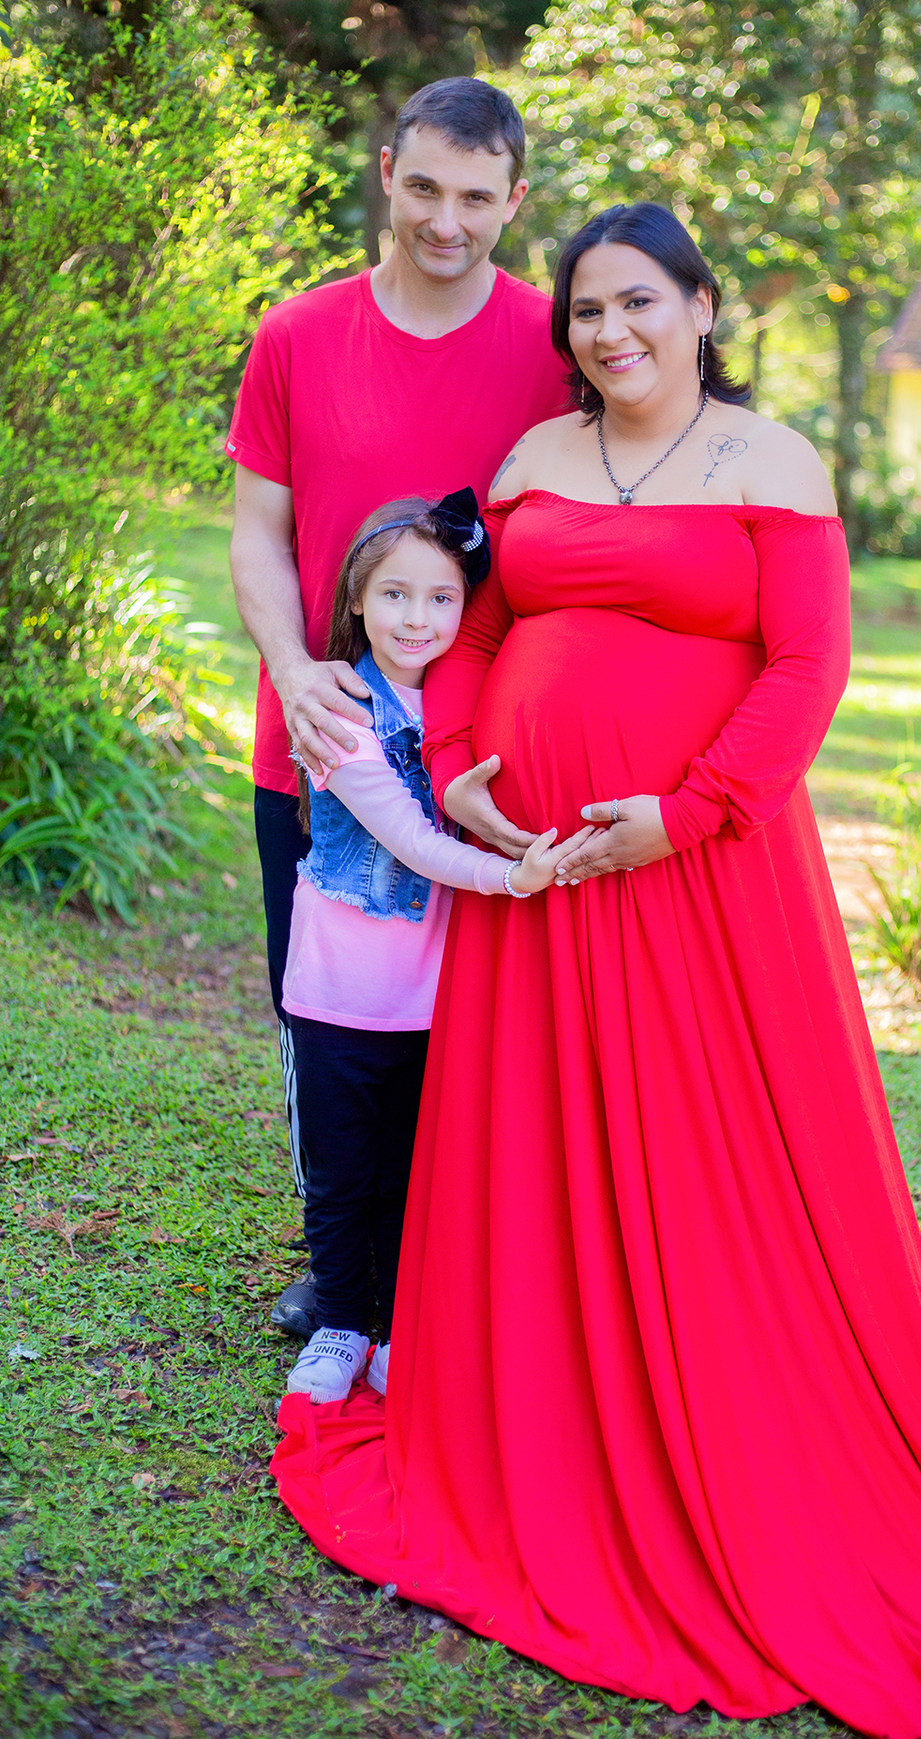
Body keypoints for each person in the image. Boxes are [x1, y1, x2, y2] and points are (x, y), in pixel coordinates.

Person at [271, 204, 921, 1738]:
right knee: (538, 1149)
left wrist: (688, 812)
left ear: (705, 307)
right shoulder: (531, 467)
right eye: (586, 313)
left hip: (704, 870)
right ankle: (543, 1422)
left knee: (714, 1154)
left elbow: (805, 666)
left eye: (640, 303)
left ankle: (730, 1422)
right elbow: (485, 631)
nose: (611, 333)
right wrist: (468, 767)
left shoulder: (774, 465)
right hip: (544, 878)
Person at [227, 76, 566, 1340]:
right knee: (327, 1018)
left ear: (514, 202)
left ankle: (446, 1263)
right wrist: (294, 664)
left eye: (477, 198)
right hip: (316, 749)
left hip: (486, 761)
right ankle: (341, 1262)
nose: (446, 219)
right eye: (425, 186)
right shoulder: (298, 337)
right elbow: (259, 536)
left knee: (472, 1031)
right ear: (387, 173)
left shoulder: (550, 348)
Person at [281, 489, 588, 1405]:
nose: (418, 619)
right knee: (341, 1176)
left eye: (442, 598)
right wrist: (516, 873)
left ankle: (391, 1330)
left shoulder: (480, 709)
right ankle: (340, 1323)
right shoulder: (337, 712)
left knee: (412, 1176)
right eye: (395, 597)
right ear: (357, 605)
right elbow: (413, 844)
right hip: (336, 992)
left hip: (435, 997)